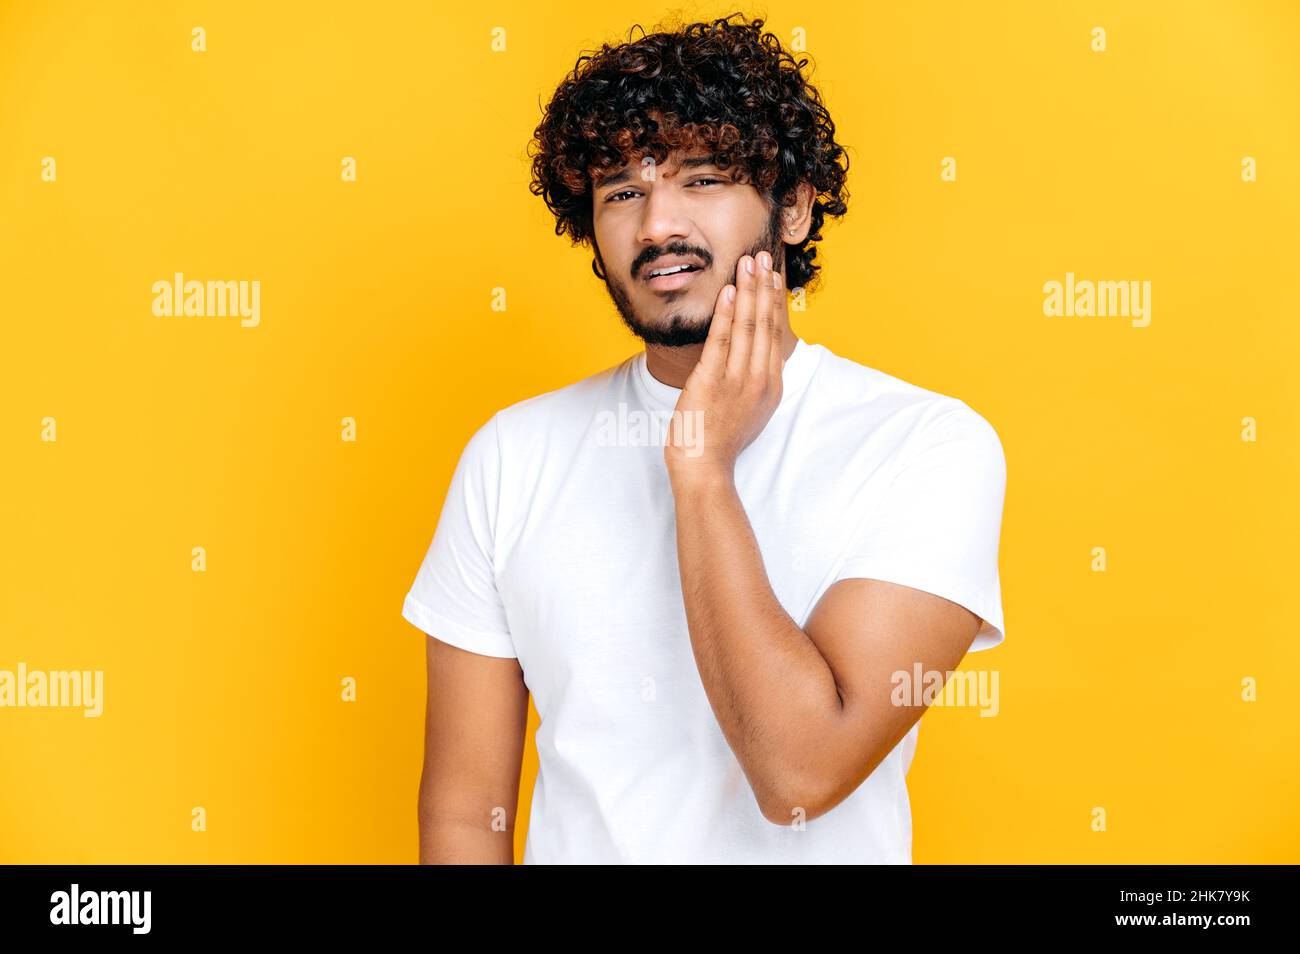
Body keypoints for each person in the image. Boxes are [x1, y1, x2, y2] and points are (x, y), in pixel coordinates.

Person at [403, 13, 1008, 864]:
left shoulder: (924, 446)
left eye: (703, 178)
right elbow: (466, 816)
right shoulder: (512, 456)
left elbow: (801, 774)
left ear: (792, 209)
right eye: (621, 191)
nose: (657, 226)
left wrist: (703, 470)